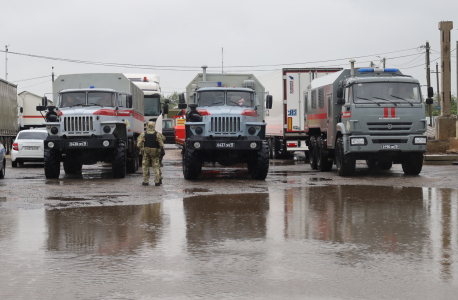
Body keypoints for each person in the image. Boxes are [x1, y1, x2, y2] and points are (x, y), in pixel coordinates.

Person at [137, 121, 165, 186]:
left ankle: (145, 181)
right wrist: (160, 149)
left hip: (146, 153)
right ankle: (157, 181)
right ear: (153, 126)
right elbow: (161, 143)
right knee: (156, 167)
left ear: (148, 126)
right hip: (155, 152)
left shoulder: (144, 133)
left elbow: (138, 144)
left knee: (145, 167)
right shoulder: (157, 134)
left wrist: (142, 149)